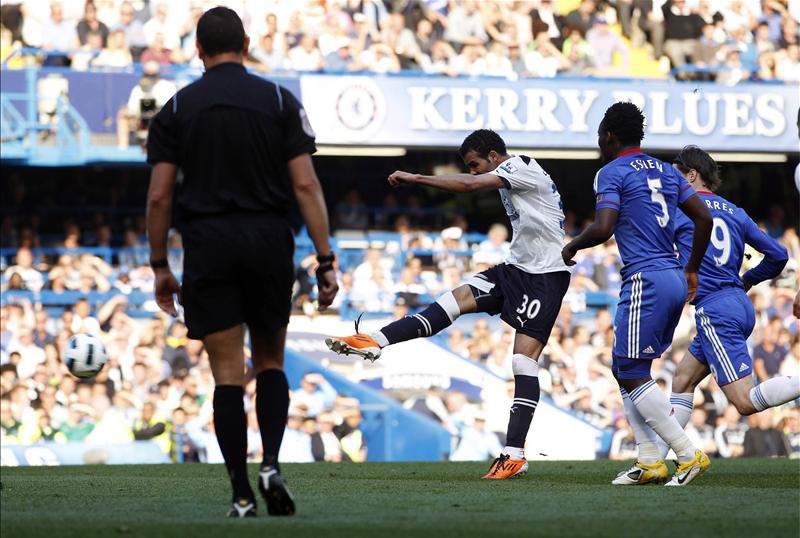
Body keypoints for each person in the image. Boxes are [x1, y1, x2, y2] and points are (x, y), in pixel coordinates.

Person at [145, 7, 338, 518]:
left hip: (208, 245)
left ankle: (240, 494)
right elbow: (305, 185)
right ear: (247, 43)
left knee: (227, 375)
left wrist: (160, 264)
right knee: (270, 362)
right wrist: (325, 260)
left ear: (198, 49)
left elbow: (160, 197)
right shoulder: (278, 99)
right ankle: (271, 463)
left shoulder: (177, 108)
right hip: (269, 242)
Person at [326, 129, 572, 480]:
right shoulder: (512, 176)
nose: (472, 172)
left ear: (493, 156)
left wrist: (415, 178)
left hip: (545, 275)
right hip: (515, 269)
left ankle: (514, 454)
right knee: (451, 301)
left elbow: (471, 187)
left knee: (522, 361)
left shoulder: (522, 166)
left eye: (475, 164)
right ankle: (375, 341)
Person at [562, 102, 713, 487]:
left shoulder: (611, 172)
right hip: (675, 276)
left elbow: (604, 227)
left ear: (609, 135)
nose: (599, 141)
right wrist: (692, 267)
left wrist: (572, 246)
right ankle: (649, 461)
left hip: (645, 278)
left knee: (629, 370)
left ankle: (686, 453)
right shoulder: (666, 170)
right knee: (626, 367)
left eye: (600, 134)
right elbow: (703, 217)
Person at [663, 146, 796, 440]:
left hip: (715, 310)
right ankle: (655, 460)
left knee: (744, 402)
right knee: (682, 379)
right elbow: (779, 255)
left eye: (676, 176)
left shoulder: (681, 210)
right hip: (738, 303)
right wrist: (748, 279)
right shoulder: (735, 212)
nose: (671, 183)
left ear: (692, 175)